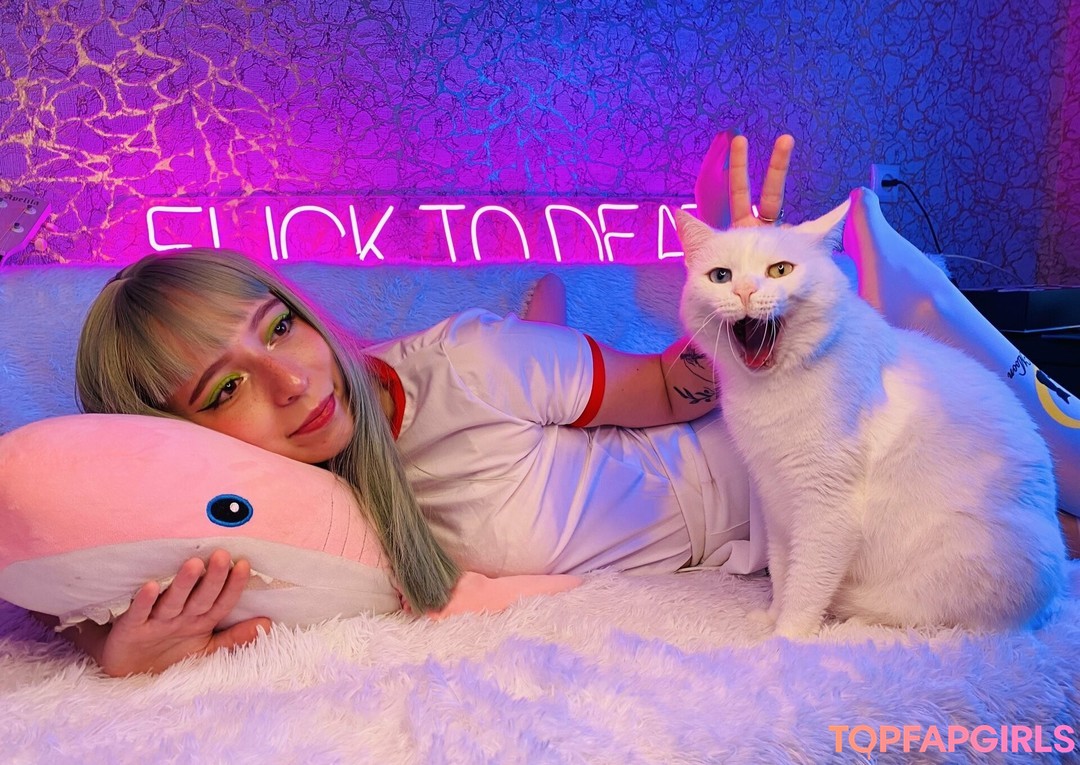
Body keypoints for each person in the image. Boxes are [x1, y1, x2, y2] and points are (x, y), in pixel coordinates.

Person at [61, 131, 1080, 678]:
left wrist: (746, 289)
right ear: (173, 437)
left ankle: (943, 321)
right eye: (226, 386)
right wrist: (110, 646)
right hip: (740, 525)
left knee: (1025, 503)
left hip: (761, 460)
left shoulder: (467, 364)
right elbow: (73, 552)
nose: (291, 380)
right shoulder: (268, 512)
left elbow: (672, 389)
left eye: (278, 326)